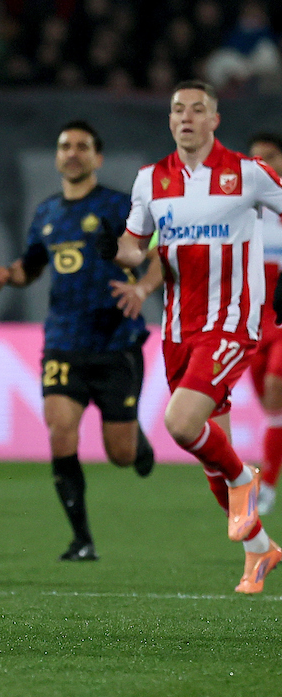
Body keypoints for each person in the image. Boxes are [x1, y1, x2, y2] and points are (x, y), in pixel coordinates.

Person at [101, 80, 282, 593]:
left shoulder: (248, 173)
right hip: (178, 330)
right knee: (212, 465)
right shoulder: (150, 180)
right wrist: (110, 246)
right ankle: (260, 549)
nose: (186, 116)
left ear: (214, 120)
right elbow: (136, 247)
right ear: (170, 119)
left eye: (197, 109)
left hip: (231, 323)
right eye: (178, 109)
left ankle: (246, 478)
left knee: (181, 423)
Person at [0, 120, 161, 561]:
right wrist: (9, 274)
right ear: (58, 156)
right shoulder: (47, 212)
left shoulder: (119, 206)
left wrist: (142, 288)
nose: (73, 153)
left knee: (121, 455)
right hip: (64, 338)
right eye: (65, 146)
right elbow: (32, 266)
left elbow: (158, 252)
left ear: (97, 158)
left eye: (82, 146)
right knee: (60, 430)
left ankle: (136, 440)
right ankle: (82, 539)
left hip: (116, 340)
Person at [247, 132, 282, 515]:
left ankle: (268, 486)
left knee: (276, 387)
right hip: (252, 323)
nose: (263, 165)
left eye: (270, 156)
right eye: (256, 158)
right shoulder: (241, 208)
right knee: (274, 411)